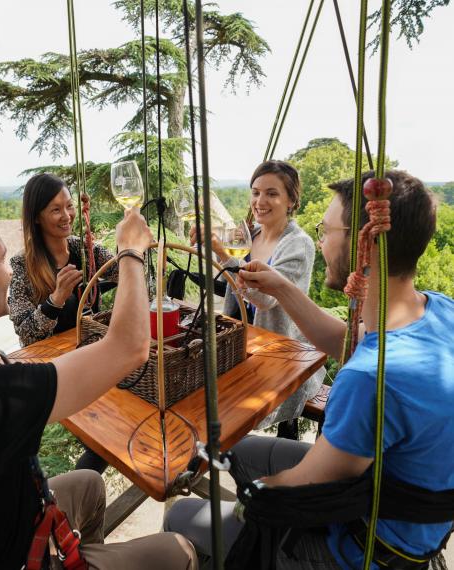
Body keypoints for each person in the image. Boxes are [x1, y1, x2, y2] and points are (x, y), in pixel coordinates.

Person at [0, 199, 197, 570]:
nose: (10, 272)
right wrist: (131, 252)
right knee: (179, 550)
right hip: (11, 557)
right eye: (1, 261)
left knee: (89, 485)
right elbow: (129, 348)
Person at [166, 169, 454, 568]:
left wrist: (253, 497)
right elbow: (347, 343)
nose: (320, 239)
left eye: (327, 229)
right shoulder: (438, 308)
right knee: (240, 447)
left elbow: (310, 482)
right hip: (406, 505)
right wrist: (282, 287)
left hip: (364, 544)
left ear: (364, 245)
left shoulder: (370, 377)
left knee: (179, 515)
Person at [191, 160, 324, 436]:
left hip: (281, 354)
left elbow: (266, 299)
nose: (260, 201)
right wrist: (209, 247)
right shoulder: (249, 235)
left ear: (291, 201)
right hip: (242, 343)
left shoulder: (299, 244)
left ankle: (256, 461)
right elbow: (228, 275)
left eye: (272, 193)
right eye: (255, 192)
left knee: (231, 412)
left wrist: (225, 255)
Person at [9, 172, 117, 473]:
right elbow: (26, 334)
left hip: (92, 358)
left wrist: (127, 246)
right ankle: (74, 501)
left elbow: (125, 271)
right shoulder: (24, 266)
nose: (67, 215)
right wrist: (55, 300)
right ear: (37, 217)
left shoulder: (85, 250)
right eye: (56, 209)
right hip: (54, 371)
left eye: (69, 206)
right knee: (102, 442)